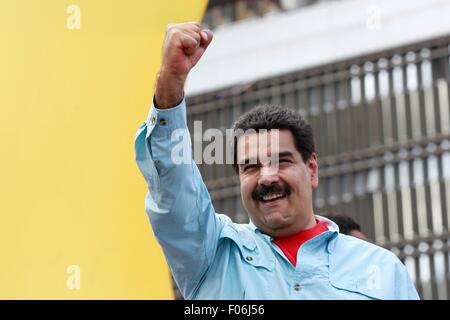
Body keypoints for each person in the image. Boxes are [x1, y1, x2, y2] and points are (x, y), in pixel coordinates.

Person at [134, 22, 419, 299]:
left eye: (281, 161)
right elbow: (175, 190)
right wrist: (170, 83)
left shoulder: (383, 271)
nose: (267, 177)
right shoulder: (212, 255)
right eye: (251, 167)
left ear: (311, 169)